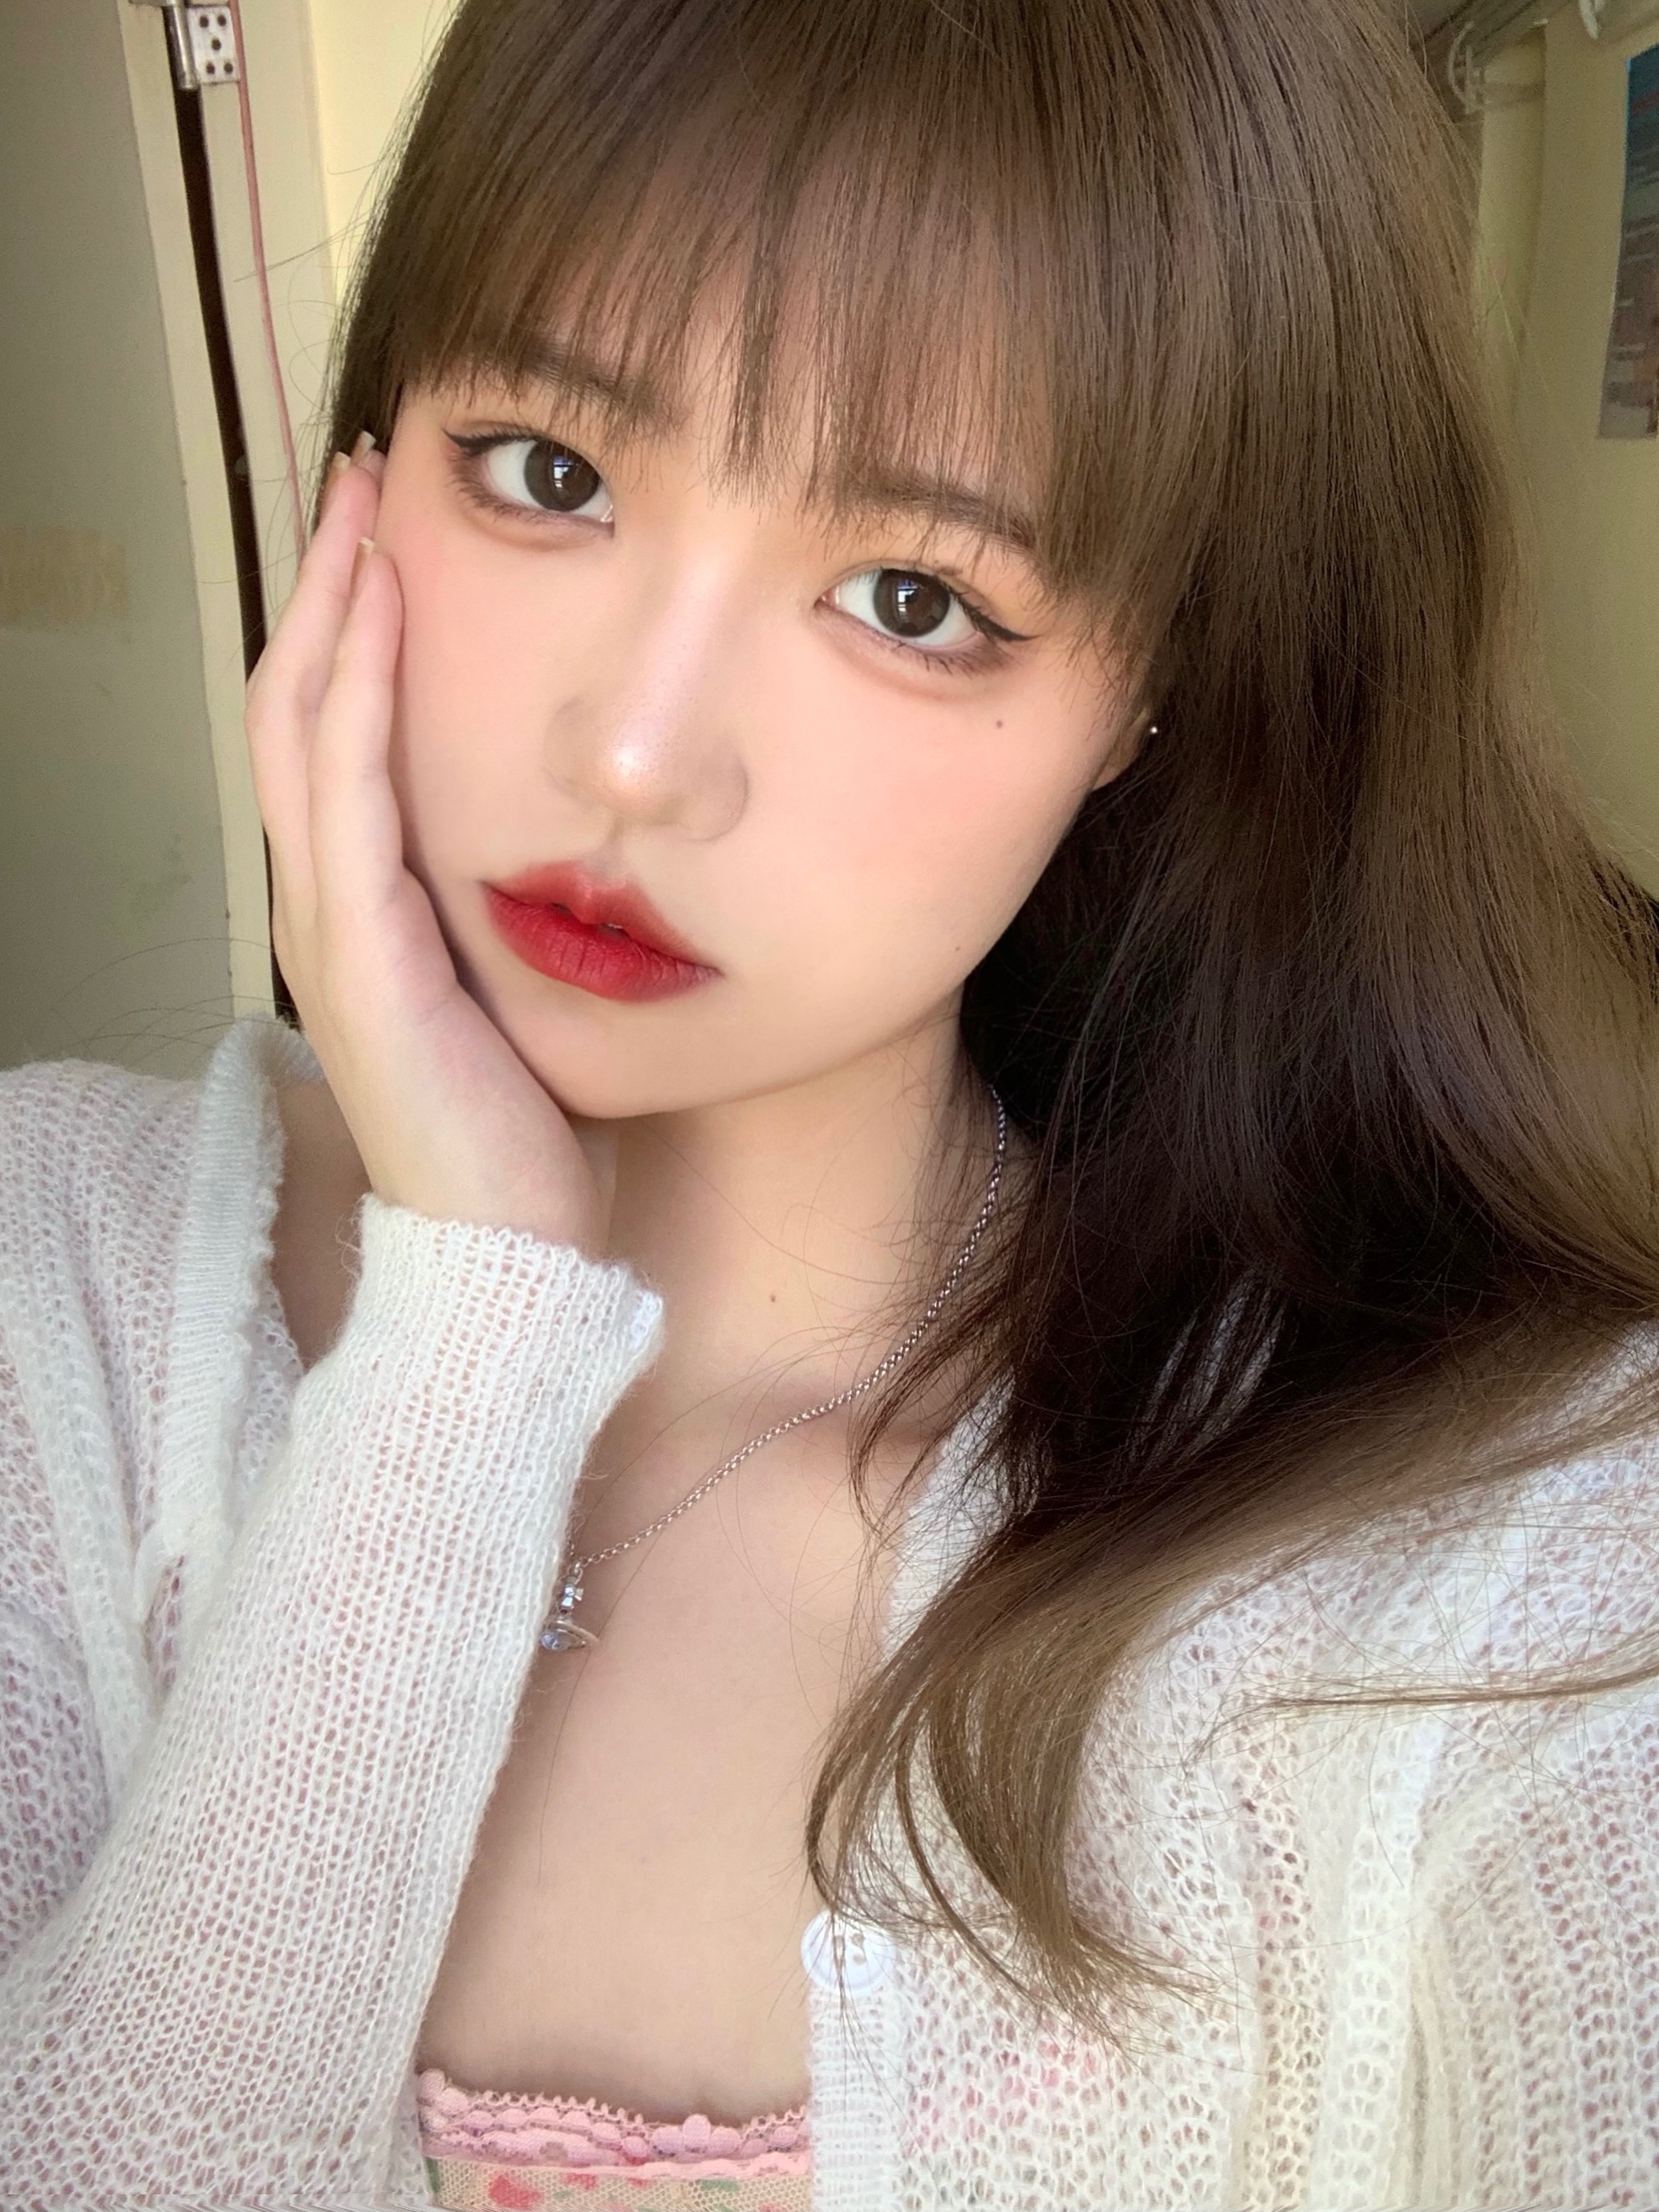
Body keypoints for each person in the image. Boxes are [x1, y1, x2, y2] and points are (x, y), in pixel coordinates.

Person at [4, 0, 1659, 2204]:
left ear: (1150, 690)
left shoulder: (1498, 1593)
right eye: (549, 470)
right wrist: (464, 1326)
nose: (634, 756)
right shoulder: (52, 1291)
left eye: (913, 597)